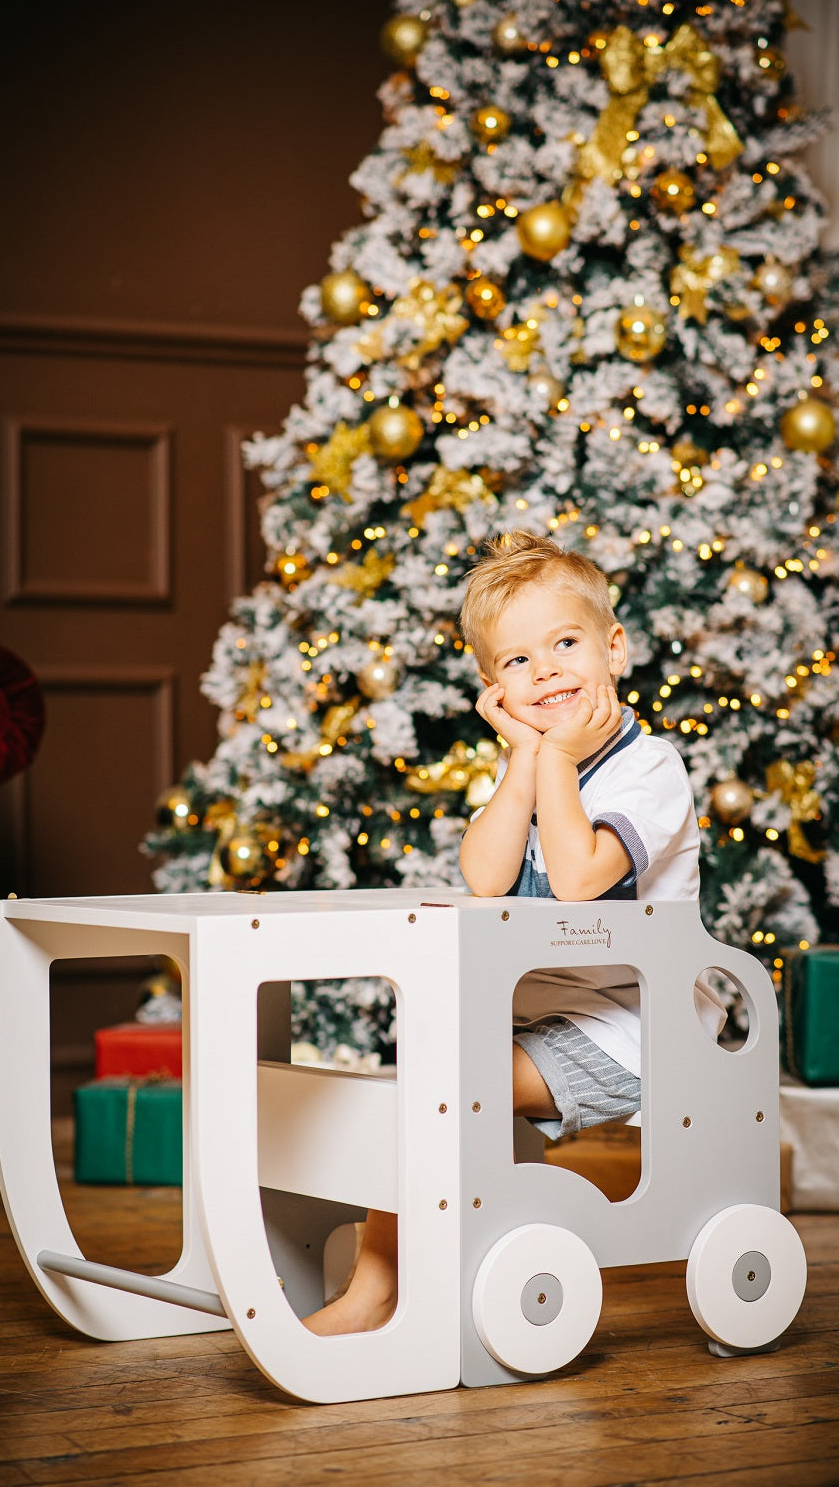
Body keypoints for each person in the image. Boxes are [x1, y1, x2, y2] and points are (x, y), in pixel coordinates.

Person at [303, 530, 723, 1337]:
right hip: (549, 1017)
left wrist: (555, 760)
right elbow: (485, 876)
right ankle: (403, 1269)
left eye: (565, 644)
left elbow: (576, 876)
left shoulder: (649, 769)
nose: (547, 671)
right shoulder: (538, 759)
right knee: (425, 1069)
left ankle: (374, 1294)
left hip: (639, 1029)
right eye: (519, 662)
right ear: (493, 685)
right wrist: (523, 761)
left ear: (614, 648)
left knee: (440, 1081)